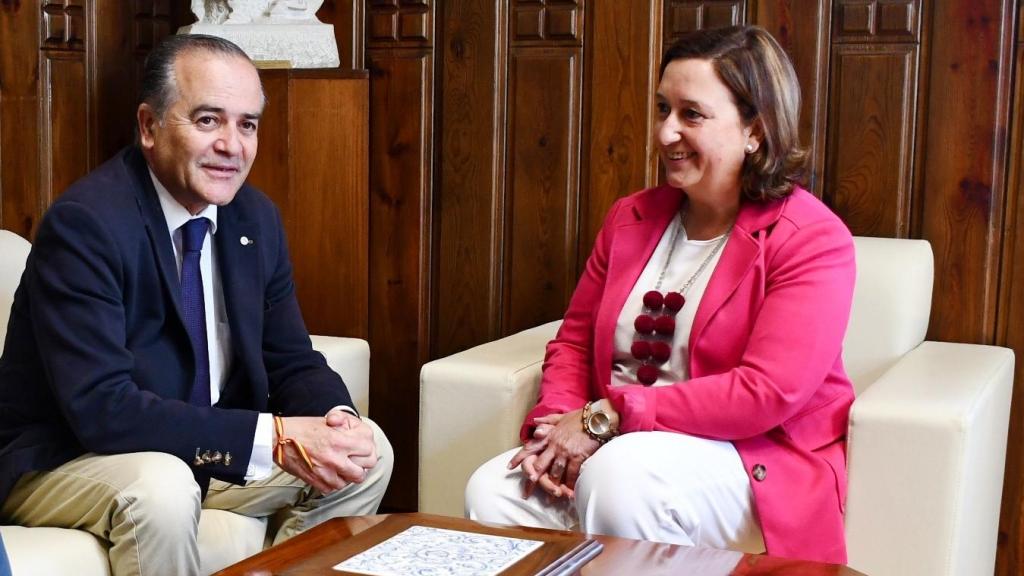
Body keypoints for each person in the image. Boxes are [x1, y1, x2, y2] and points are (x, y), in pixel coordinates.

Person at [0, 34, 392, 575]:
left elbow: (292, 358)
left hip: (197, 452)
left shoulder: (254, 219)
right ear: (149, 126)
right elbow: (102, 409)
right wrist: (273, 438)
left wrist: (337, 421)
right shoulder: (86, 225)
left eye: (247, 124)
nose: (232, 145)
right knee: (162, 487)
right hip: (68, 457)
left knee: (367, 457)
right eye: (209, 120)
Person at [465, 25, 855, 564]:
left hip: (747, 455)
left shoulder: (811, 238)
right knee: (495, 490)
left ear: (755, 131)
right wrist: (554, 427)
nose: (666, 132)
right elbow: (575, 342)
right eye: (662, 108)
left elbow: (766, 391)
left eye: (691, 114)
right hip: (613, 444)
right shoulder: (632, 216)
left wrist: (606, 418)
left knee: (621, 476)